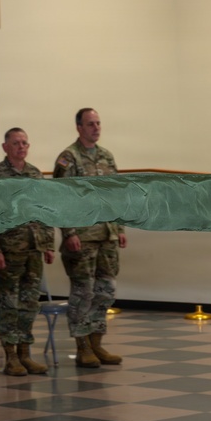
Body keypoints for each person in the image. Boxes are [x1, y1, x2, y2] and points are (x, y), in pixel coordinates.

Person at [52, 108, 127, 368]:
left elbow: (116, 195)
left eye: (98, 123)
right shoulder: (68, 158)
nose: (96, 128)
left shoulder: (106, 156)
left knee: (106, 291)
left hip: (107, 235)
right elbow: (61, 199)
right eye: (90, 124)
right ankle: (82, 346)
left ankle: (97, 343)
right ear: (79, 127)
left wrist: (119, 229)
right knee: (83, 293)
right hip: (82, 237)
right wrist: (69, 232)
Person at [0, 128, 55, 376]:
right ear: (5, 147)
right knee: (9, 304)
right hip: (8, 250)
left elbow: (45, 209)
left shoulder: (34, 173)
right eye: (16, 143)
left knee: (30, 303)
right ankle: (11, 357)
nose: (21, 147)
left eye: (24, 143)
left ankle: (25, 353)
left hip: (34, 248)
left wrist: (48, 243)